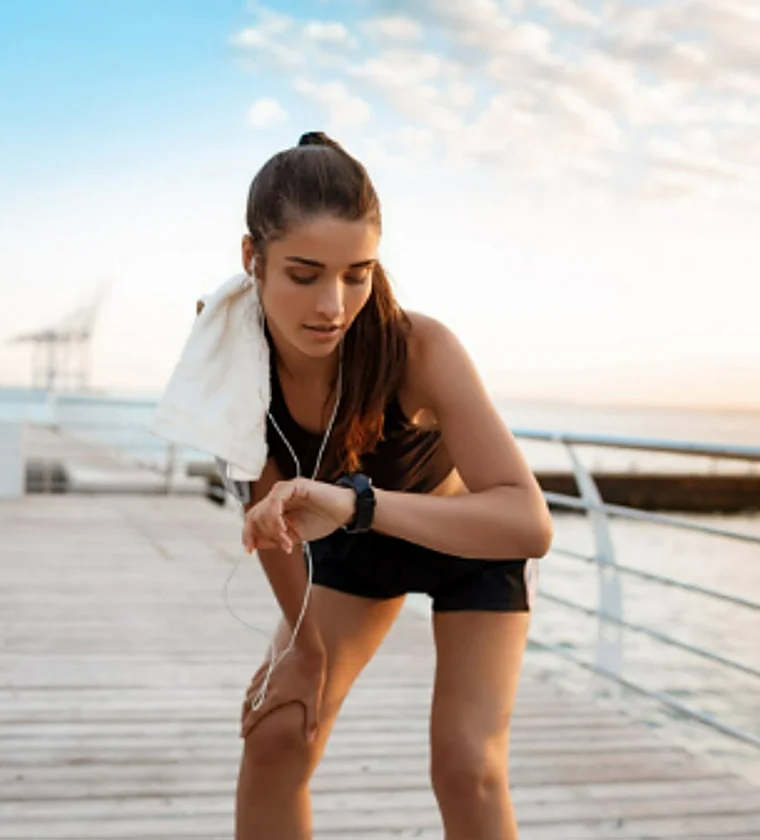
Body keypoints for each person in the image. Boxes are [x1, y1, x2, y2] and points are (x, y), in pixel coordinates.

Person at [233, 131, 554, 840]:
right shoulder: (230, 356)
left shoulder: (417, 348)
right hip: (354, 551)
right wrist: (305, 652)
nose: (332, 304)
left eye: (357, 273)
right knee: (276, 734)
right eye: (304, 273)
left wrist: (359, 504)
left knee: (466, 767)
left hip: (468, 546)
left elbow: (529, 521)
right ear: (252, 259)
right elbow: (268, 516)